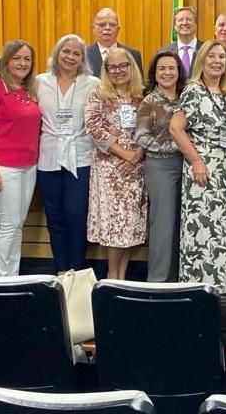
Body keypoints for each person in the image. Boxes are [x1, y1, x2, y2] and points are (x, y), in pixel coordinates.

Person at [169, 40, 226, 287]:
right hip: (202, 173)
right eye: (212, 57)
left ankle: (222, 288)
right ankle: (199, 289)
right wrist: (197, 161)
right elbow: (176, 129)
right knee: (202, 232)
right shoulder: (193, 91)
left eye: (221, 57)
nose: (217, 61)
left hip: (224, 174)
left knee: (220, 232)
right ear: (201, 60)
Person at [0, 40, 42, 278]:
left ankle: (11, 274)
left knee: (17, 224)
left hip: (28, 166)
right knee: (8, 224)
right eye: (17, 58)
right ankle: (2, 278)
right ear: (6, 60)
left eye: (27, 59)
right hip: (3, 166)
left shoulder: (27, 90)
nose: (23, 63)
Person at [36, 34, 98, 273]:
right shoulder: (40, 81)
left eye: (76, 53)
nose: (70, 57)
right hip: (49, 156)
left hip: (80, 157)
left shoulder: (92, 83)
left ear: (83, 58)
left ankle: (78, 268)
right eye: (66, 51)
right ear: (57, 53)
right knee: (54, 215)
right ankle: (61, 268)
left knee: (75, 214)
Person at [86, 47, 148, 281]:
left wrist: (138, 154)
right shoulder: (98, 94)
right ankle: (113, 277)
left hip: (136, 169)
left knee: (129, 226)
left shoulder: (142, 96)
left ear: (132, 67)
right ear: (106, 70)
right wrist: (124, 154)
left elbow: (153, 130)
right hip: (110, 170)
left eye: (123, 65)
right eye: (113, 67)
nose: (118, 71)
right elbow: (93, 128)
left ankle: (122, 275)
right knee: (115, 227)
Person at [136, 51, 187, 282]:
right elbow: (141, 137)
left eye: (171, 68)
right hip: (160, 167)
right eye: (162, 69)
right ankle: (157, 282)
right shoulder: (150, 101)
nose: (167, 73)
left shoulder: (186, 97)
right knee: (163, 226)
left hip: (186, 166)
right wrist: (176, 145)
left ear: (179, 72)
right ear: (155, 74)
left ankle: (178, 279)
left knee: (182, 225)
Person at [85, 7, 143, 77]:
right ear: (94, 29)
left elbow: (139, 84)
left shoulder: (133, 54)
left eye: (112, 25)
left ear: (118, 30)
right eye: (102, 25)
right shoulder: (84, 55)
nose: (107, 28)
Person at [160, 6, 200, 76]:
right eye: (180, 20)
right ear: (175, 26)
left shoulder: (206, 50)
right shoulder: (163, 52)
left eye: (188, 19)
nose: (184, 23)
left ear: (195, 24)